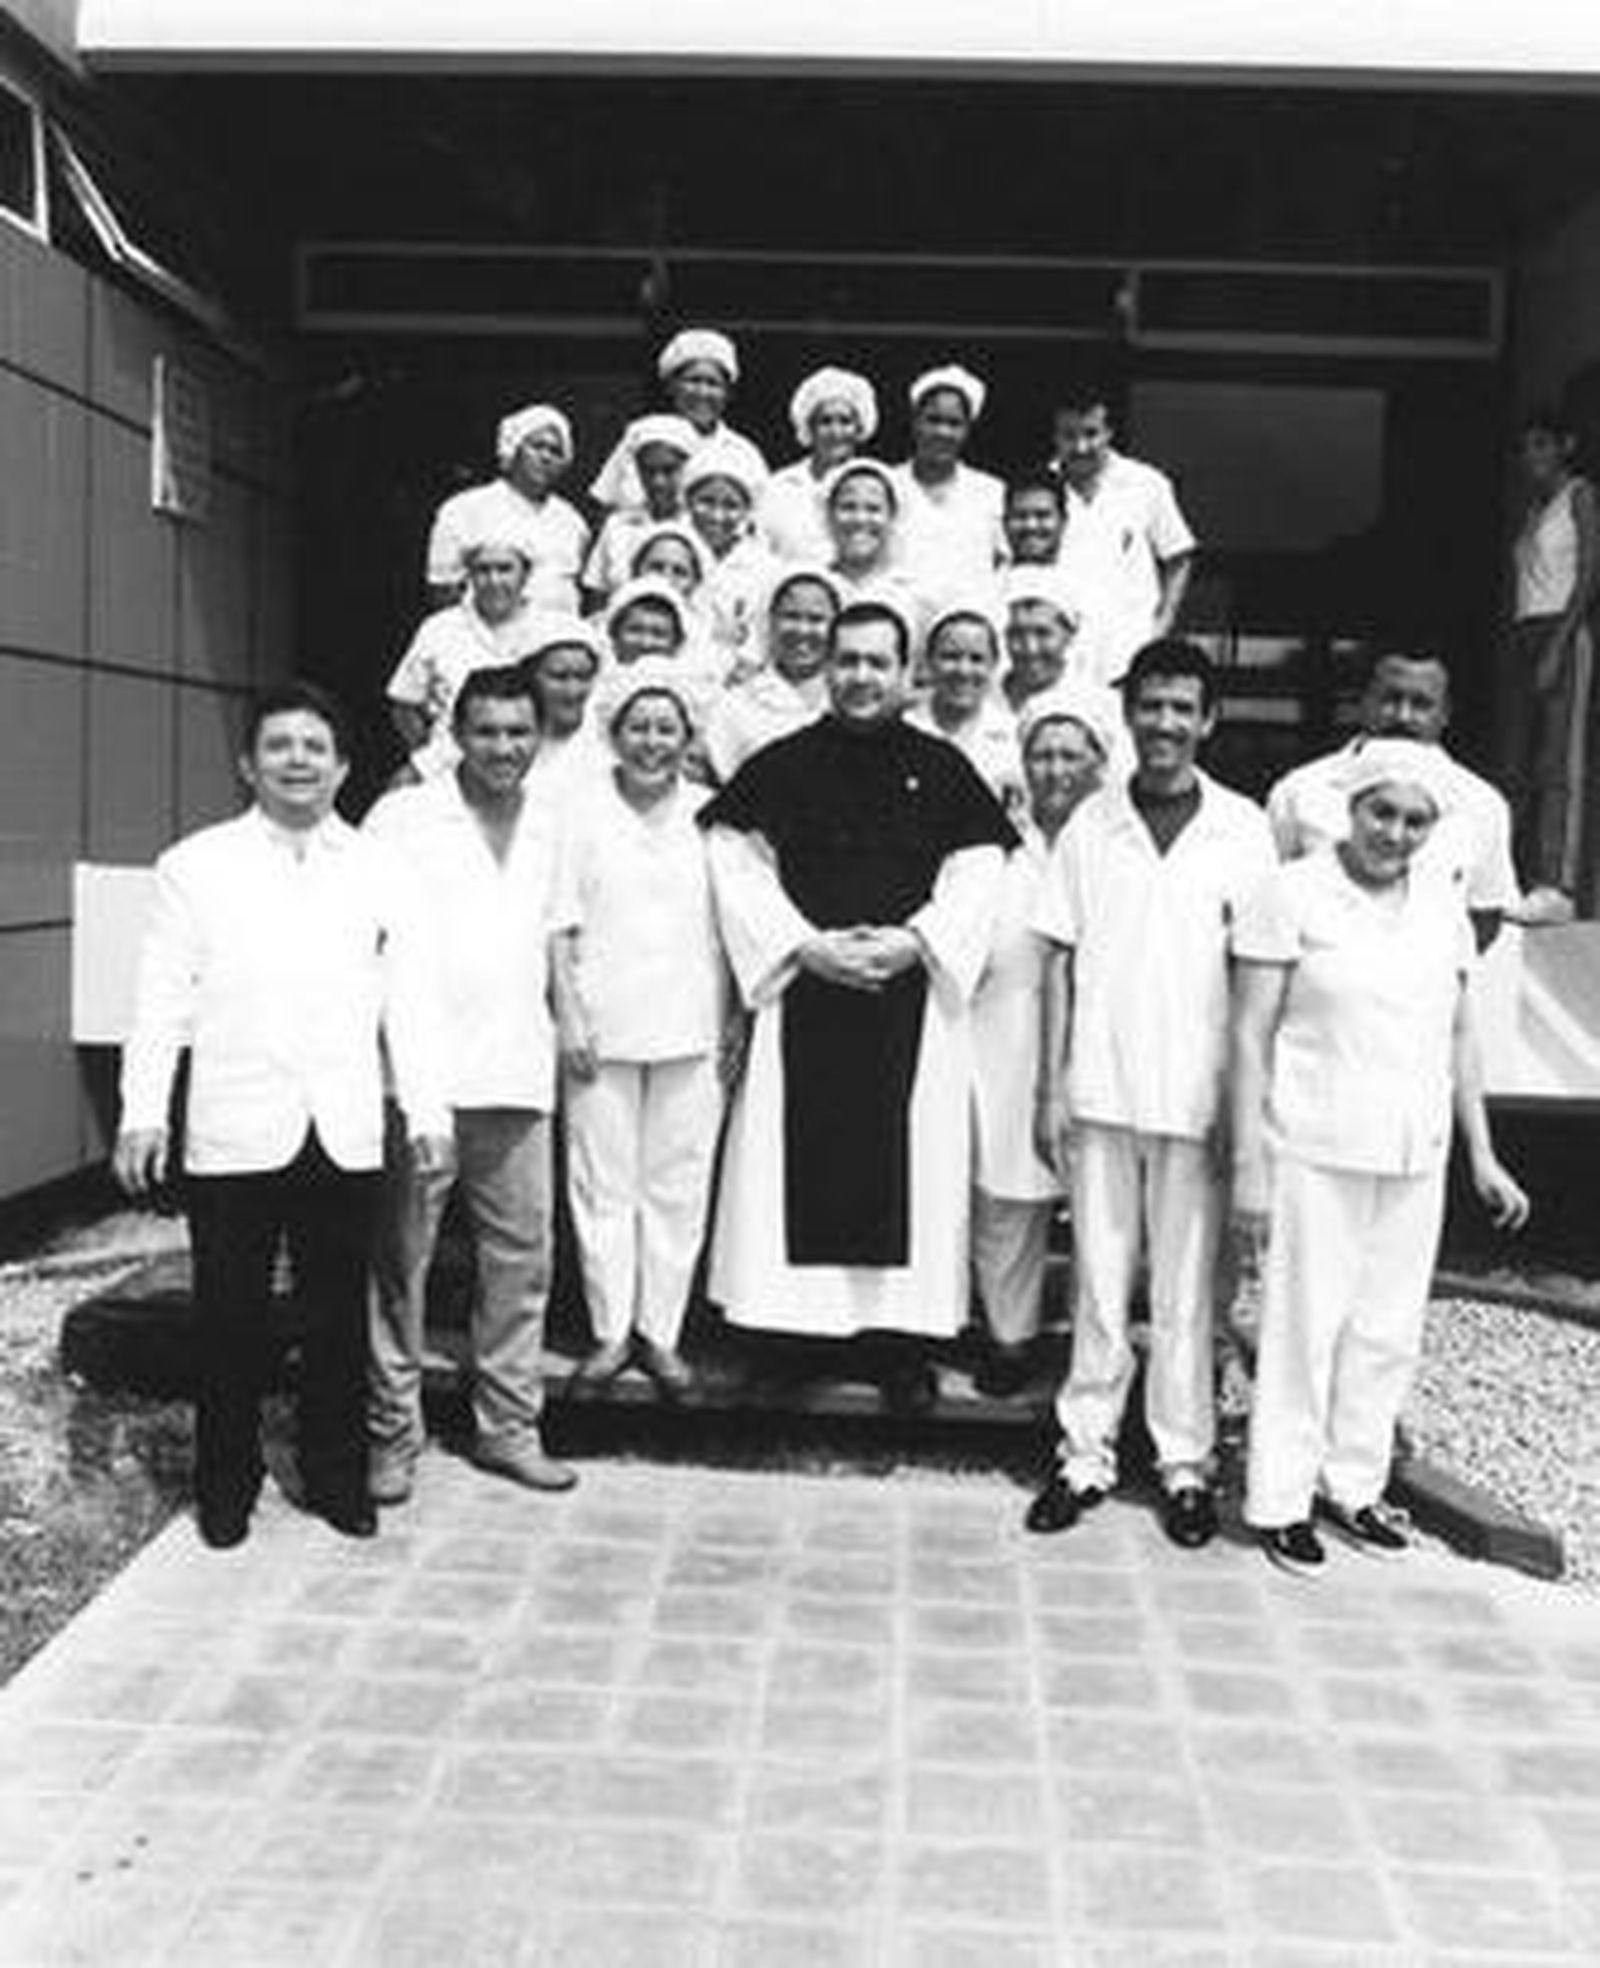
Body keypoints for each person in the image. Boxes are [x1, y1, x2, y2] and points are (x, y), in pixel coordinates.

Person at [114, 682, 451, 1548]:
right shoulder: (196, 866)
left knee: (337, 1319)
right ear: (248, 764)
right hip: (235, 1127)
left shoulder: (382, 868)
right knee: (228, 1317)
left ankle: (336, 1476)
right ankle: (227, 1483)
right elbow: (161, 999)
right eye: (278, 745)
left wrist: (428, 1110)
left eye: (315, 746)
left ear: (342, 767)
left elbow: (411, 1001)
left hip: (342, 1128)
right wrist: (143, 1112)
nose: (297, 760)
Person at [699, 601, 1014, 1409]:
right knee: (789, 1163)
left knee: (911, 1166)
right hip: (805, 993)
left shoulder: (942, 768)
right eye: (848, 660)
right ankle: (786, 1341)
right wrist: (802, 946)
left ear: (907, 673)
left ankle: (897, 1346)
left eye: (878, 662)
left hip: (907, 1001)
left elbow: (980, 868)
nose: (861, 676)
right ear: (828, 667)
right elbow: (735, 859)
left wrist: (917, 941)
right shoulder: (782, 764)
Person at [1231, 739, 1530, 1570]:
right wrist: (1250, 1162)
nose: (1395, 833)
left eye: (1414, 821)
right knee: (1303, 1328)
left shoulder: (1441, 907)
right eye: (1381, 813)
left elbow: (1460, 1033)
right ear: (1350, 810)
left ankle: (1353, 1487)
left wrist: (1482, 1153)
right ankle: (1280, 1500)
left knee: (1386, 1331)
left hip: (1413, 1149)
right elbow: (1249, 1032)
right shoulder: (1291, 892)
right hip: (1313, 1144)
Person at [1028, 638, 1276, 1548]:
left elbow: (1258, 981)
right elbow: (1057, 962)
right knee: (1099, 1285)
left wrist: (1243, 1113)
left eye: (1182, 708)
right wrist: (1050, 1087)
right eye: (1151, 706)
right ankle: (1084, 1454)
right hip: (1100, 1088)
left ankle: (1184, 1464)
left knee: (1184, 1295)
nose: (1165, 723)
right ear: (1128, 714)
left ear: (1208, 720)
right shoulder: (1090, 826)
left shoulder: (1243, 829)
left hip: (1197, 1098)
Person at [365, 667, 576, 1499]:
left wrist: (575, 1024)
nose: (503, 747)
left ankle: (508, 1429)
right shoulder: (403, 817)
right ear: (454, 732)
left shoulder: (555, 820)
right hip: (418, 1078)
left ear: (539, 736)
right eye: (486, 731)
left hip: (518, 1071)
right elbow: (365, 934)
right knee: (399, 1263)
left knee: (521, 1262)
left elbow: (561, 934)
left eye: (519, 732)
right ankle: (391, 1437)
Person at [552, 662, 731, 1396]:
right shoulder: (578, 811)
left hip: (694, 1022)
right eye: (638, 727)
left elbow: (737, 924)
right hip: (601, 1024)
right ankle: (610, 1331)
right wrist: (568, 1013)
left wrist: (735, 1017)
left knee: (678, 1181)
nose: (652, 741)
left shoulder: (714, 813)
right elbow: (557, 922)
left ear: (688, 737)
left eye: (666, 728)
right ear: (614, 733)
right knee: (601, 1181)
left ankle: (662, 1332)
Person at [968, 685, 1114, 1396]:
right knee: (1008, 1196)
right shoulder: (998, 850)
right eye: (1042, 755)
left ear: (1097, 763)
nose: (1054, 770)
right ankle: (1009, 1335)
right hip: (1006, 1037)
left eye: (1069, 755)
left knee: (1103, 1207)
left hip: (1104, 1041)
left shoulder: (1116, 846)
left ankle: (1097, 1350)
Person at [1266, 650, 1521, 950]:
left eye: (1421, 704)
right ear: (1363, 702)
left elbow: (1485, 914)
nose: (1403, 716)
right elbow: (1267, 901)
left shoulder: (1482, 804)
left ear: (1445, 714)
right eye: (1390, 699)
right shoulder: (1300, 791)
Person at [1504, 406, 1599, 917]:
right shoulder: (1533, 510)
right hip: (1526, 630)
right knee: (1518, 759)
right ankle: (1509, 875)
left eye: (1542, 444)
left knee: (1558, 760)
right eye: (1525, 447)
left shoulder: (1579, 496)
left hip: (1562, 628)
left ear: (1566, 446)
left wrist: (1560, 644)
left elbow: (1589, 573)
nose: (1531, 456)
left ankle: (1557, 884)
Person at [1050, 381, 1197, 676]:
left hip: (1129, 646)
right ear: (1055, 436)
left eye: (1091, 433)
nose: (1081, 447)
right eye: (1069, 435)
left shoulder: (1146, 484)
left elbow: (1178, 557)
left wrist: (1161, 626)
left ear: (1109, 433)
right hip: (1059, 649)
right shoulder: (1039, 486)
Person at [386, 531, 551, 781]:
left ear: (525, 574)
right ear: (469, 575)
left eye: (505, 569)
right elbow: (405, 703)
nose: (493, 580)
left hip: (534, 762)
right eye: (483, 570)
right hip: (449, 762)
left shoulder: (553, 629)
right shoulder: (439, 628)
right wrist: (431, 752)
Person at [424, 403, 588, 611]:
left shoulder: (572, 521)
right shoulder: (464, 510)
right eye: (537, 446)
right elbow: (443, 591)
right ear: (513, 450)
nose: (546, 457)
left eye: (556, 451)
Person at [589, 329, 767, 518]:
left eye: (713, 383)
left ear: (728, 393)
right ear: (671, 386)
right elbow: (604, 504)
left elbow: (760, 518)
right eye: (693, 381)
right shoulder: (639, 435)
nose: (702, 392)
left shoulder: (744, 453)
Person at [704, 567, 840, 784]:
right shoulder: (736, 705)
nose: (802, 630)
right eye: (791, 616)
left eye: (816, 619)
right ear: (770, 621)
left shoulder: (853, 699)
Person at [891, 364, 1006, 603]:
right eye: (933, 420)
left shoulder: (991, 492)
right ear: (915, 422)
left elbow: (1005, 564)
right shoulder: (888, 485)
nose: (942, 432)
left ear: (968, 429)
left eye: (954, 423)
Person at [904, 600, 1024, 813]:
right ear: (929, 661)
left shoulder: (1015, 737)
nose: (963, 670)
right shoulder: (903, 728)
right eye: (950, 657)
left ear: (994, 664)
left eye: (976, 659)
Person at [760, 366, 880, 564]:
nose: (835, 432)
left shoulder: (877, 484)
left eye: (845, 422)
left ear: (859, 428)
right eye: (825, 421)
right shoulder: (780, 487)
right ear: (809, 428)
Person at [582, 413, 701, 602]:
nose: (657, 482)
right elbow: (598, 596)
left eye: (669, 470)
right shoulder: (618, 526)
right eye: (648, 470)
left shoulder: (701, 527)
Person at [682, 439, 777, 672]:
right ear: (688, 501)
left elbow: (761, 640)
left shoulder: (765, 568)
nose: (717, 516)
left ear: (747, 510)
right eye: (706, 502)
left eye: (731, 506)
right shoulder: (670, 553)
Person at [1001, 471, 1068, 569]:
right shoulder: (986, 578)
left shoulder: (1083, 577)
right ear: (1005, 522)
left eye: (1042, 516)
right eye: (1020, 516)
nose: (1031, 526)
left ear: (1063, 521)